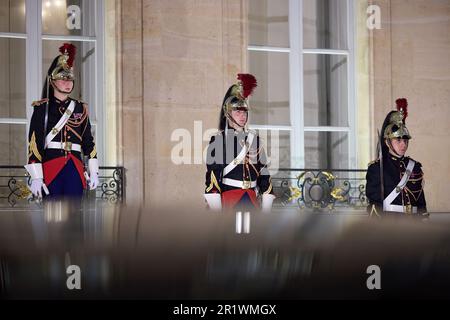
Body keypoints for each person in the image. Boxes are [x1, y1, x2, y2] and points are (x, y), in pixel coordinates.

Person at [25, 43, 99, 201]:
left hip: (75, 168)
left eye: (70, 79)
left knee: (74, 219)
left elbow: (88, 142)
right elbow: (34, 145)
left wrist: (94, 172)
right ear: (52, 81)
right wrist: (37, 177)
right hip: (51, 168)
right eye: (62, 79)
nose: (67, 83)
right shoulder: (42, 108)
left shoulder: (80, 108)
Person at [204, 73, 275, 212]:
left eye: (244, 112)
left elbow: (264, 174)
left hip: (252, 201)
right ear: (227, 114)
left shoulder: (255, 140)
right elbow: (213, 178)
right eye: (237, 112)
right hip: (229, 201)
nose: (242, 116)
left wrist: (266, 210)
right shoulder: (218, 141)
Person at [366, 98, 427, 216]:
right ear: (387, 142)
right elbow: (375, 207)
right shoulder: (377, 168)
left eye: (405, 140)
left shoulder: (414, 167)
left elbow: (421, 204)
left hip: (414, 226)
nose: (403, 144)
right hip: (391, 226)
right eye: (398, 140)